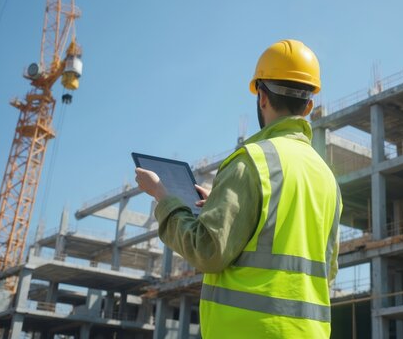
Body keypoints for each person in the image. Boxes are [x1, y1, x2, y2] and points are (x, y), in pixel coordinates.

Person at [135, 39, 341, 338]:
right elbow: (327, 271)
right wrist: (226, 207)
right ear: (309, 105)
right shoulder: (327, 178)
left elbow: (207, 251)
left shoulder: (252, 161)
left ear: (261, 97)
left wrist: (163, 198)